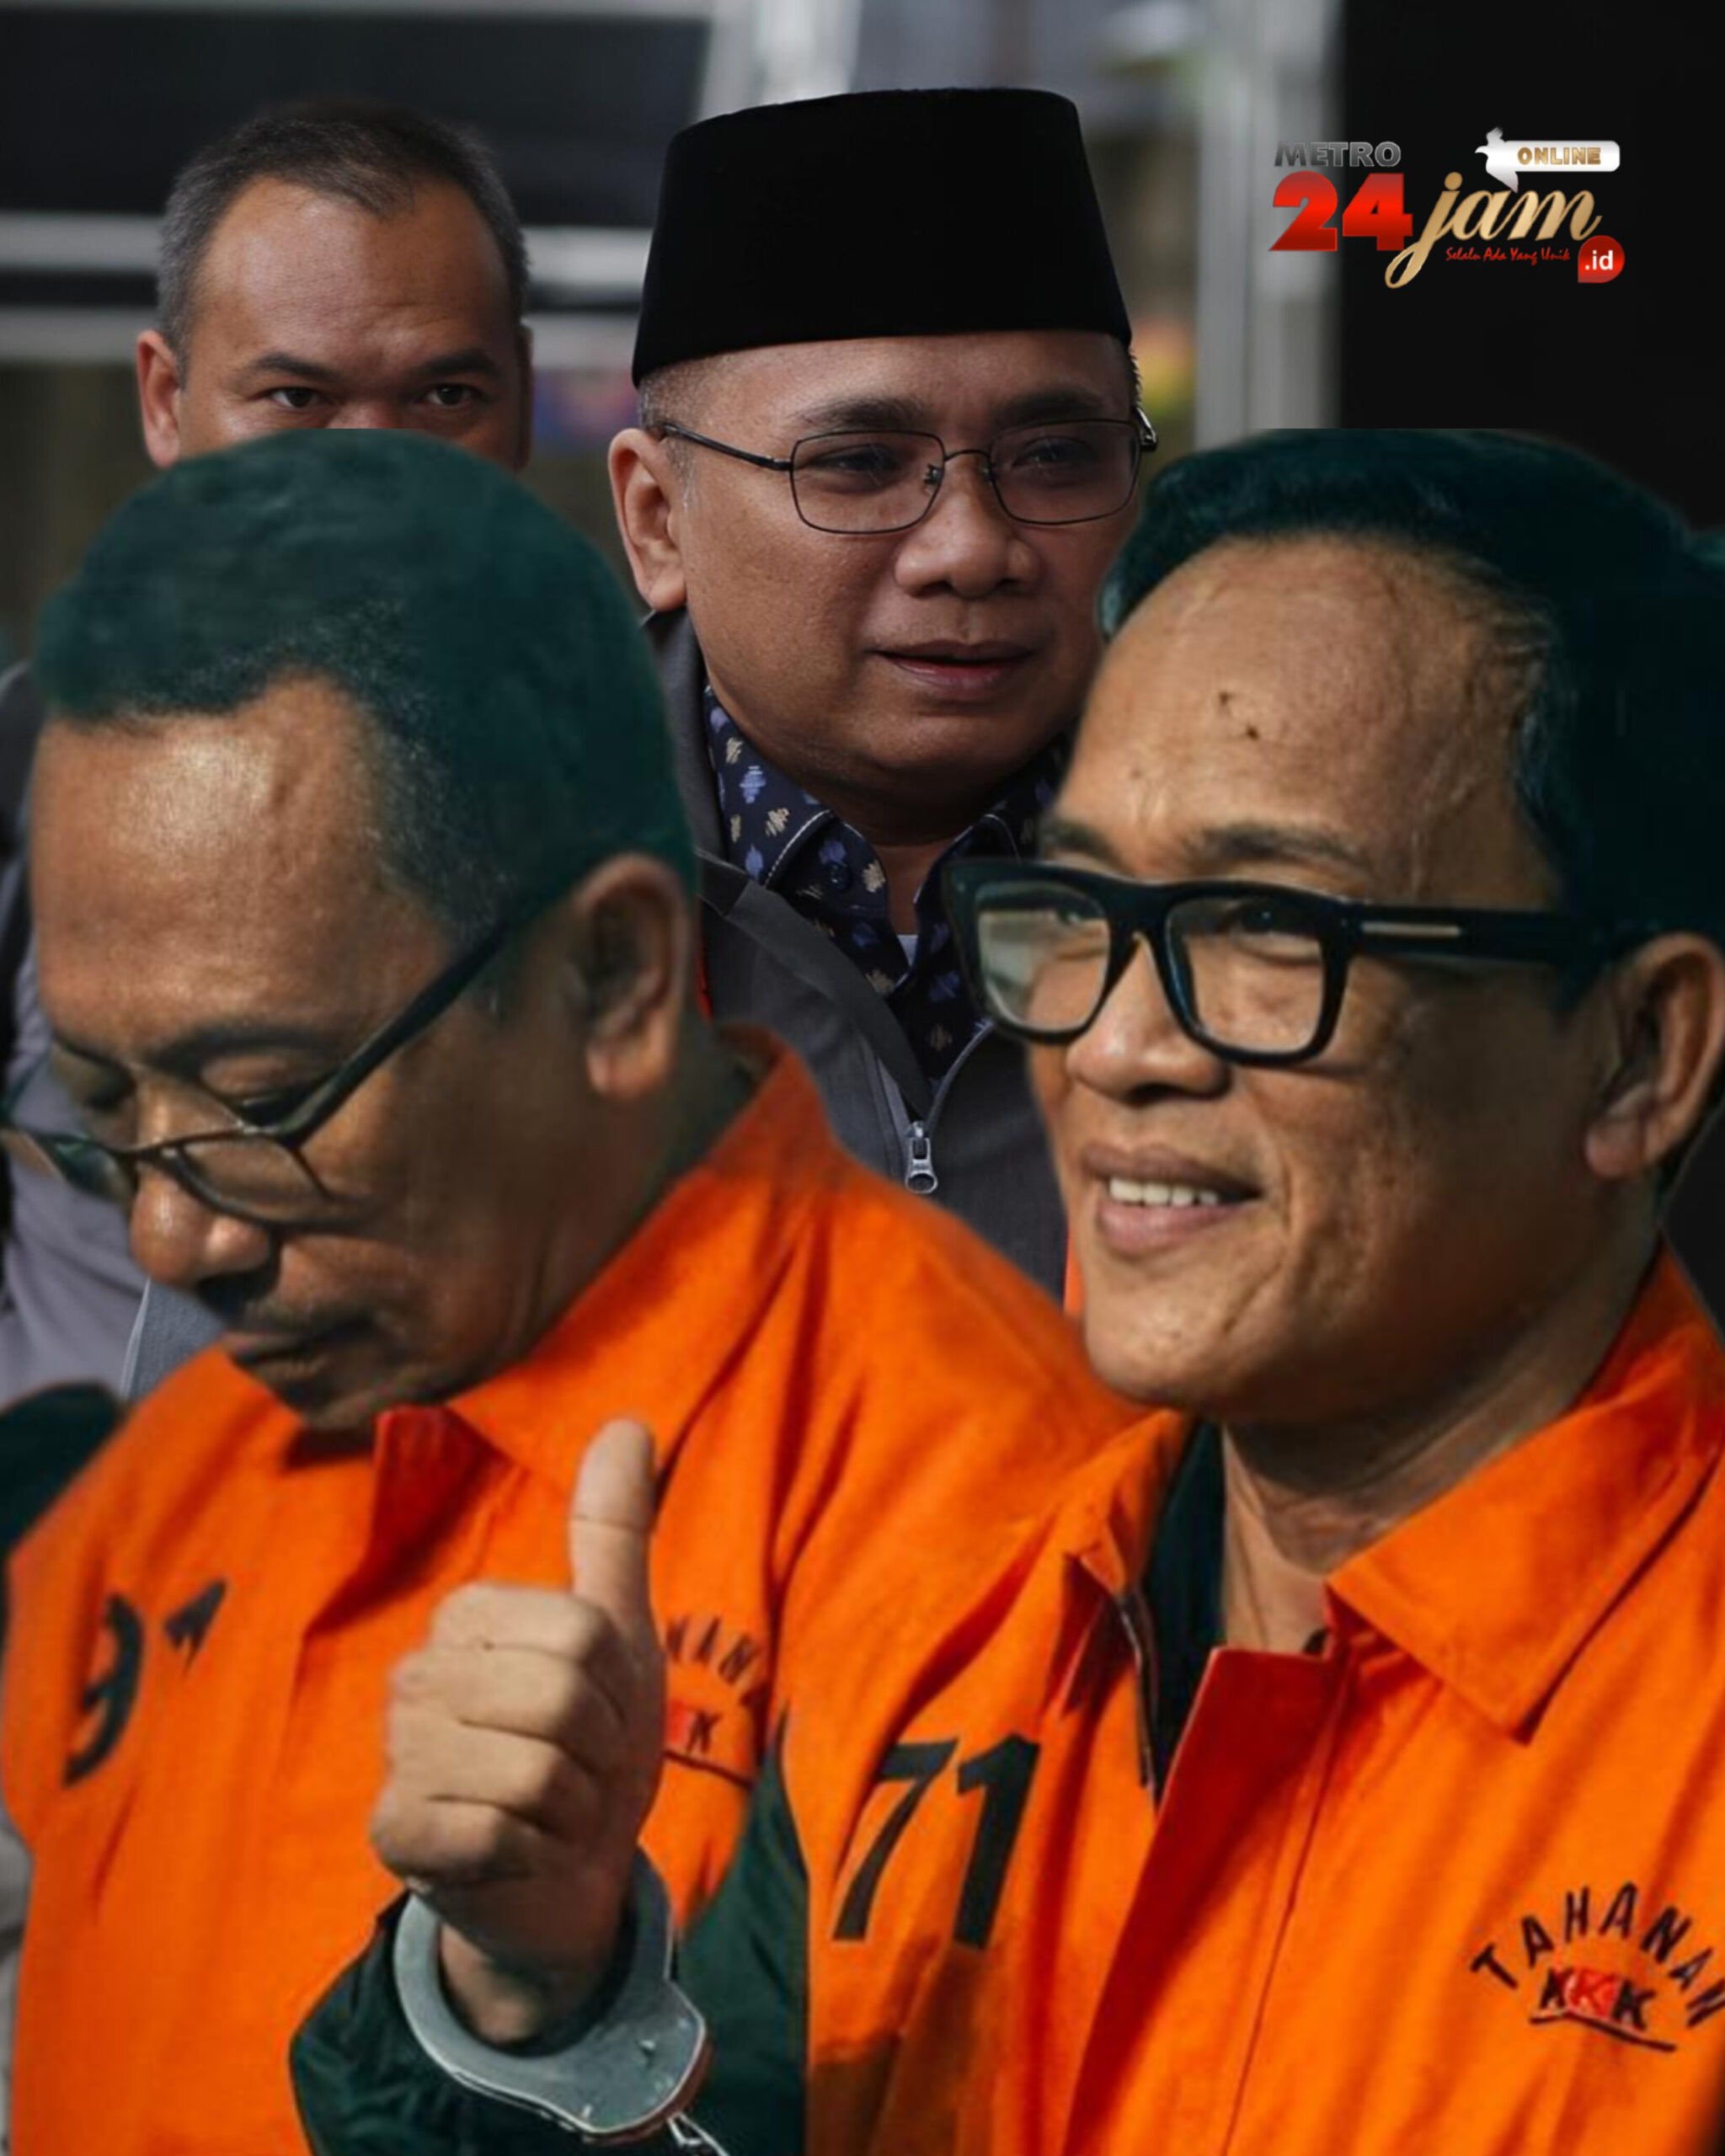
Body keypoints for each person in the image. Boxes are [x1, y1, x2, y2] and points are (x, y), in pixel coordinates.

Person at [294, 430, 1725, 2156]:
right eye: (1078, 907)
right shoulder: (946, 1644)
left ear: (1641, 1052)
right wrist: (528, 2002)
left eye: (1267, 928)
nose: (1113, 1044)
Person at [0, 430, 1130, 2156]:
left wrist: (550, 2014)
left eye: (262, 1104)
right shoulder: (170, 1478)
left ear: (612, 974)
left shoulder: (1005, 1524)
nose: (172, 1241)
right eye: (102, 1111)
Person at [0, 94, 533, 1405]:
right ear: (167, 401)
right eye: (296, 396)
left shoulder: (673, 808)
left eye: (445, 395)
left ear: (520, 400)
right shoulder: (21, 781)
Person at [610, 87, 1148, 1299]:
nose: (973, 549)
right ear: (658, 520)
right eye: (858, 465)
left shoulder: (1274, 898)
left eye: (1057, 456)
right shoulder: (485, 908)